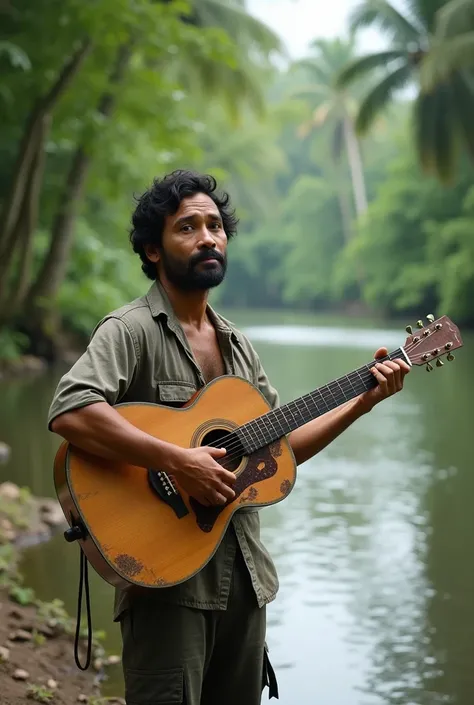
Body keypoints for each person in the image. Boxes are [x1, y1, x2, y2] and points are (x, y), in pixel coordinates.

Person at [48, 169, 410, 705]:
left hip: (245, 579)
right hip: (165, 581)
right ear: (153, 249)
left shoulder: (238, 347)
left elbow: (279, 451)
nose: (208, 237)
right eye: (187, 227)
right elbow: (71, 409)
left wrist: (363, 402)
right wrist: (177, 460)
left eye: (215, 226)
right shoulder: (130, 330)